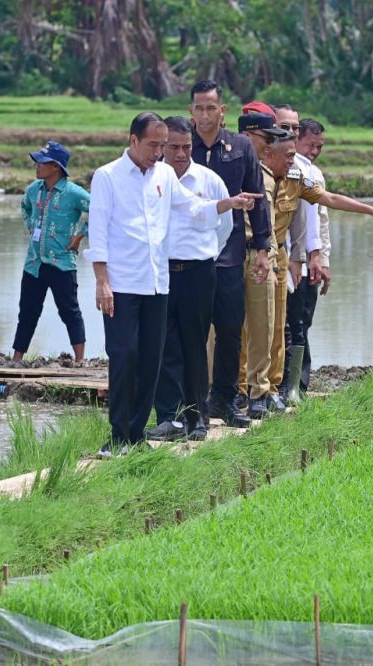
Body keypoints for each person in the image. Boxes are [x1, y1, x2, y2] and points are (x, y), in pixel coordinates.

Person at [86, 112, 261, 457]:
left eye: (162, 145)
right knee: (124, 356)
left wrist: (229, 203)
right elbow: (98, 232)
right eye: (154, 145)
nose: (159, 152)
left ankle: (136, 437)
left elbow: (192, 208)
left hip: (156, 283)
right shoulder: (107, 177)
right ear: (133, 141)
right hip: (121, 284)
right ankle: (117, 435)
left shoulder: (164, 174)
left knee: (152, 359)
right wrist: (101, 281)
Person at [244, 133, 373, 416]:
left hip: (277, 254)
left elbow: (327, 198)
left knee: (277, 328)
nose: (295, 161)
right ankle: (245, 391)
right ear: (269, 154)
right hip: (254, 253)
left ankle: (271, 391)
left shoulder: (296, 178)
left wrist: (369, 210)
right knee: (251, 328)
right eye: (289, 156)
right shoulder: (253, 176)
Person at [189, 80, 272, 429]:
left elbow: (258, 200)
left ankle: (224, 398)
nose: (205, 114)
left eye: (211, 107)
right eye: (199, 107)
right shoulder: (180, 147)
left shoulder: (240, 148)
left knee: (229, 329)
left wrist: (264, 249)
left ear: (223, 111)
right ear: (191, 110)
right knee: (190, 331)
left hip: (230, 253)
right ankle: (191, 403)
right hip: (189, 256)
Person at [147, 116, 235, 442]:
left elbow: (224, 226)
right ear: (162, 147)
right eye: (174, 147)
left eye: (186, 147)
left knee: (195, 346)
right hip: (161, 273)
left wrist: (207, 254)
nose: (181, 153)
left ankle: (197, 418)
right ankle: (168, 417)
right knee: (164, 346)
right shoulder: (153, 180)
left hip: (198, 273)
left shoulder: (209, 180)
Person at [12, 141, 89, 365]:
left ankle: (80, 359)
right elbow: (24, 205)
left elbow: (99, 210)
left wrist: (80, 235)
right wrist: (30, 224)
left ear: (56, 167)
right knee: (27, 312)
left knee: (69, 311)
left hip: (62, 263)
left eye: (41, 162)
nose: (36, 165)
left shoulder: (74, 193)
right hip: (34, 263)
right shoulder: (33, 190)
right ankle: (16, 359)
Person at [235, 112, 290, 419]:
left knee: (263, 326)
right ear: (248, 136)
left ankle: (260, 391)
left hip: (260, 254)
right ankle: (231, 390)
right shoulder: (228, 167)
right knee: (226, 329)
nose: (270, 144)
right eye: (266, 138)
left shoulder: (266, 174)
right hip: (230, 253)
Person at [282, 118, 333, 402]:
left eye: (319, 146)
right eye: (310, 145)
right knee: (294, 323)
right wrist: (307, 257)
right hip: (295, 258)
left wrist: (322, 260)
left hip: (308, 257)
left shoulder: (314, 172)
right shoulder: (293, 169)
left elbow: (320, 224)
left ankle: (296, 385)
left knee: (302, 321)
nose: (314, 150)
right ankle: (291, 386)